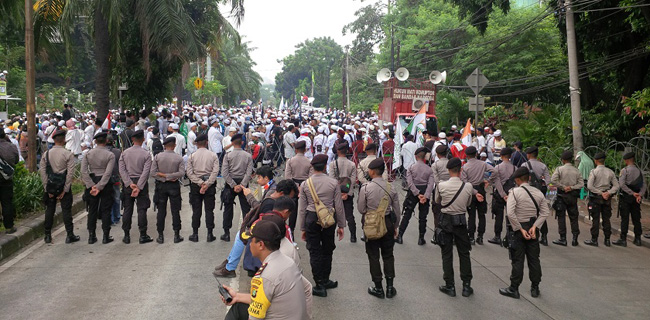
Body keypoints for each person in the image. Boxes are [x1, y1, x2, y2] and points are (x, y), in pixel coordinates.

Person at [220, 220, 308, 320]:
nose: (249, 245)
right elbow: (262, 298)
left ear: (261, 245)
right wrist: (237, 296)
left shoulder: (264, 278)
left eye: (251, 240)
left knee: (237, 311)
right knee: (239, 305)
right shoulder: (289, 262)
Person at [213, 179, 298, 278]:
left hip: (258, 231)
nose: (290, 200)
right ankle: (229, 265)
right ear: (282, 194)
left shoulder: (270, 198)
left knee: (240, 237)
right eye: (290, 197)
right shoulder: (273, 204)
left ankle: (229, 265)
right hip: (262, 234)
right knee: (240, 237)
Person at [299, 154, 346, 297]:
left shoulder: (305, 184)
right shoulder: (333, 183)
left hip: (312, 217)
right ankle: (325, 279)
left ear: (312, 167)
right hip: (328, 219)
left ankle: (319, 283)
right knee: (328, 248)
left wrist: (302, 228)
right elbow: (339, 206)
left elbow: (302, 208)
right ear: (325, 166)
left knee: (314, 251)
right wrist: (341, 225)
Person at [499, 167, 549, 299]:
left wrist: (519, 228)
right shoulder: (538, 193)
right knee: (534, 259)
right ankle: (535, 287)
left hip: (518, 229)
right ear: (529, 178)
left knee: (517, 260)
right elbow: (545, 212)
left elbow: (510, 213)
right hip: (533, 228)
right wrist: (535, 227)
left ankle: (514, 288)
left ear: (516, 180)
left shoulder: (514, 192)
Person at [358, 158, 401, 299]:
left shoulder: (365, 188)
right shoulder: (391, 187)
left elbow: (361, 209)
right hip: (388, 222)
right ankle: (390, 287)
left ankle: (378, 287)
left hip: (371, 225)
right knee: (388, 255)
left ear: (371, 171)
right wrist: (395, 226)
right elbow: (397, 210)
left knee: (373, 255)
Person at [436, 157, 474, 298]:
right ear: (461, 170)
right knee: (464, 253)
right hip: (461, 221)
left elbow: (437, 201)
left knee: (447, 253)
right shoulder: (468, 186)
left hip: (446, 221)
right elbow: (468, 203)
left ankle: (449, 285)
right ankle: (466, 285)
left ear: (448, 170)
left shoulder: (441, 185)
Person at [39, 130, 80, 243]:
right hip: (63, 186)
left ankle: (47, 235)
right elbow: (70, 173)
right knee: (66, 211)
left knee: (49, 211)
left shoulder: (46, 154)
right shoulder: (68, 154)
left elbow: (43, 172)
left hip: (51, 186)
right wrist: (65, 189)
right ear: (64, 140)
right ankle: (69, 235)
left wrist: (47, 188)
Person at [118, 130, 154, 244]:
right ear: (143, 139)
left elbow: (122, 170)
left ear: (132, 140)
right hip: (141, 183)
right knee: (142, 209)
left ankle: (126, 235)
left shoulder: (124, 153)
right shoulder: (146, 154)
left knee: (128, 209)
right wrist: (139, 186)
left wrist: (128, 183)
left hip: (128, 183)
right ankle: (143, 235)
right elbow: (146, 172)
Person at [81, 132, 116, 244]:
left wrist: (92, 186)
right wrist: (100, 186)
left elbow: (83, 171)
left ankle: (91, 235)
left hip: (92, 181)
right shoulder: (110, 155)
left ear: (95, 141)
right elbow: (108, 173)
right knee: (106, 210)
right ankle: (106, 235)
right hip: (105, 184)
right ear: (106, 141)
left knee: (92, 211)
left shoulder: (88, 154)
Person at [397, 147, 435, 245]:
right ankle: (421, 238)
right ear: (424, 157)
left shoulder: (411, 167)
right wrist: (425, 196)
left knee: (407, 214)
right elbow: (431, 184)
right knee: (423, 217)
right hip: (425, 191)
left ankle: (400, 235)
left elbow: (409, 182)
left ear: (415, 156)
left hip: (413, 193)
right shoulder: (429, 169)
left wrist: (417, 193)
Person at [151, 137, 186, 244]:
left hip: (161, 186)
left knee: (161, 211)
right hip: (174, 185)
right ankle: (176, 234)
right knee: (175, 210)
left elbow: (153, 173)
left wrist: (164, 176)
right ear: (174, 145)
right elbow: (182, 173)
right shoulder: (178, 158)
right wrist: (170, 177)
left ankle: (160, 235)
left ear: (164, 146)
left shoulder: (157, 157)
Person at [186, 134, 220, 242]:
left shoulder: (192, 156)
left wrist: (200, 183)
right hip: (209, 186)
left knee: (196, 210)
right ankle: (210, 234)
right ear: (206, 142)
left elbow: (189, 173)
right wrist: (207, 183)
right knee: (209, 210)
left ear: (196, 144)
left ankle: (195, 234)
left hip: (196, 185)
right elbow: (215, 172)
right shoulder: (213, 155)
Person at [221, 133, 254, 241]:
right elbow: (249, 173)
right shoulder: (248, 155)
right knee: (246, 208)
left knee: (228, 208)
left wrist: (233, 185)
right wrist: (242, 185)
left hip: (230, 183)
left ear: (232, 143)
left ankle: (226, 233)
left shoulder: (228, 155)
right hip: (243, 183)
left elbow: (224, 173)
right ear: (242, 143)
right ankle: (246, 232)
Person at [461, 146, 495, 245]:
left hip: (470, 190)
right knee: (482, 214)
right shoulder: (483, 164)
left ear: (466, 155)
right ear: (476, 154)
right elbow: (494, 171)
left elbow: (464, 181)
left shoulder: (465, 167)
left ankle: (471, 236)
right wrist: (488, 180)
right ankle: (480, 236)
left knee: (471, 215)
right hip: (481, 189)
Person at [584, 152, 619, 247]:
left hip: (596, 198)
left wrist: (600, 193)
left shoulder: (594, 172)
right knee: (606, 219)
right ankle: (607, 240)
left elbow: (590, 186)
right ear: (604, 161)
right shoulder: (610, 172)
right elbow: (616, 186)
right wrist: (608, 193)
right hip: (607, 198)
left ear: (595, 161)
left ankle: (594, 239)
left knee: (595, 219)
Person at [550, 150, 583, 246]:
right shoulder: (576, 170)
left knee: (561, 217)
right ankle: (575, 238)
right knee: (574, 217)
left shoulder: (559, 169)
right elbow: (581, 184)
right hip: (572, 196)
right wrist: (571, 187)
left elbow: (553, 180)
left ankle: (563, 238)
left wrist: (563, 187)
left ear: (563, 160)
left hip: (561, 196)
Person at [614, 152, 646, 247]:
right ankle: (638, 238)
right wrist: (639, 195)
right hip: (636, 199)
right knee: (636, 218)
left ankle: (623, 239)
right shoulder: (639, 171)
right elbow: (644, 185)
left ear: (627, 161)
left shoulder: (624, 171)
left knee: (625, 218)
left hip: (626, 197)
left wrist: (632, 193)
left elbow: (622, 184)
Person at [329, 143, 358, 242]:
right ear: (347, 152)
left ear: (337, 151)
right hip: (348, 193)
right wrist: (348, 193)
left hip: (336, 193)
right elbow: (353, 180)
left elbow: (331, 180)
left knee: (334, 215)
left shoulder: (333, 164)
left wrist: (338, 194)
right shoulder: (352, 164)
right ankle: (353, 236)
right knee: (349, 215)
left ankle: (331, 235)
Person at [488, 147, 515, 245]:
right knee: (511, 215)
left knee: (499, 216)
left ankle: (497, 236)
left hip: (499, 195)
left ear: (501, 156)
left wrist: (502, 194)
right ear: (510, 156)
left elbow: (497, 182)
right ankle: (509, 236)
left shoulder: (498, 167)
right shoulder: (515, 168)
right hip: (511, 194)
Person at [524, 146, 551, 245]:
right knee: (541, 213)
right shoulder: (543, 166)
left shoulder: (524, 165)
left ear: (529, 155)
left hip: (527, 192)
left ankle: (529, 233)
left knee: (528, 213)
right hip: (539, 193)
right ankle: (544, 236)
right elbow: (548, 181)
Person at [0, 128, 19, 234]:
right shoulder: (11, 146)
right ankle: (9, 227)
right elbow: (16, 161)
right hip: (7, 179)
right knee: (7, 203)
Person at [430, 145, 450, 244]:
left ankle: (437, 235)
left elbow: (436, 180)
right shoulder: (451, 163)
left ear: (437, 154)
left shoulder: (435, 165)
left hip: (439, 191)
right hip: (451, 190)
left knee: (437, 213)